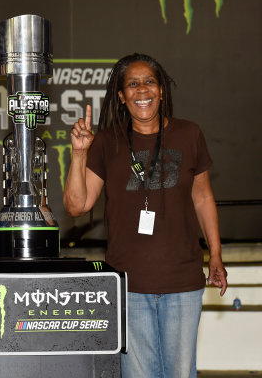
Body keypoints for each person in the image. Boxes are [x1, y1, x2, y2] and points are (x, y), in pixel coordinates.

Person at [63, 53, 228, 378]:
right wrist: (80, 153)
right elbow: (76, 206)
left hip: (183, 281)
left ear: (162, 90)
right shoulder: (108, 141)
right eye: (133, 84)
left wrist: (216, 254)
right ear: (122, 97)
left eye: (150, 81)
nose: (143, 90)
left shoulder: (189, 133)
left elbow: (203, 196)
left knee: (181, 373)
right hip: (129, 284)